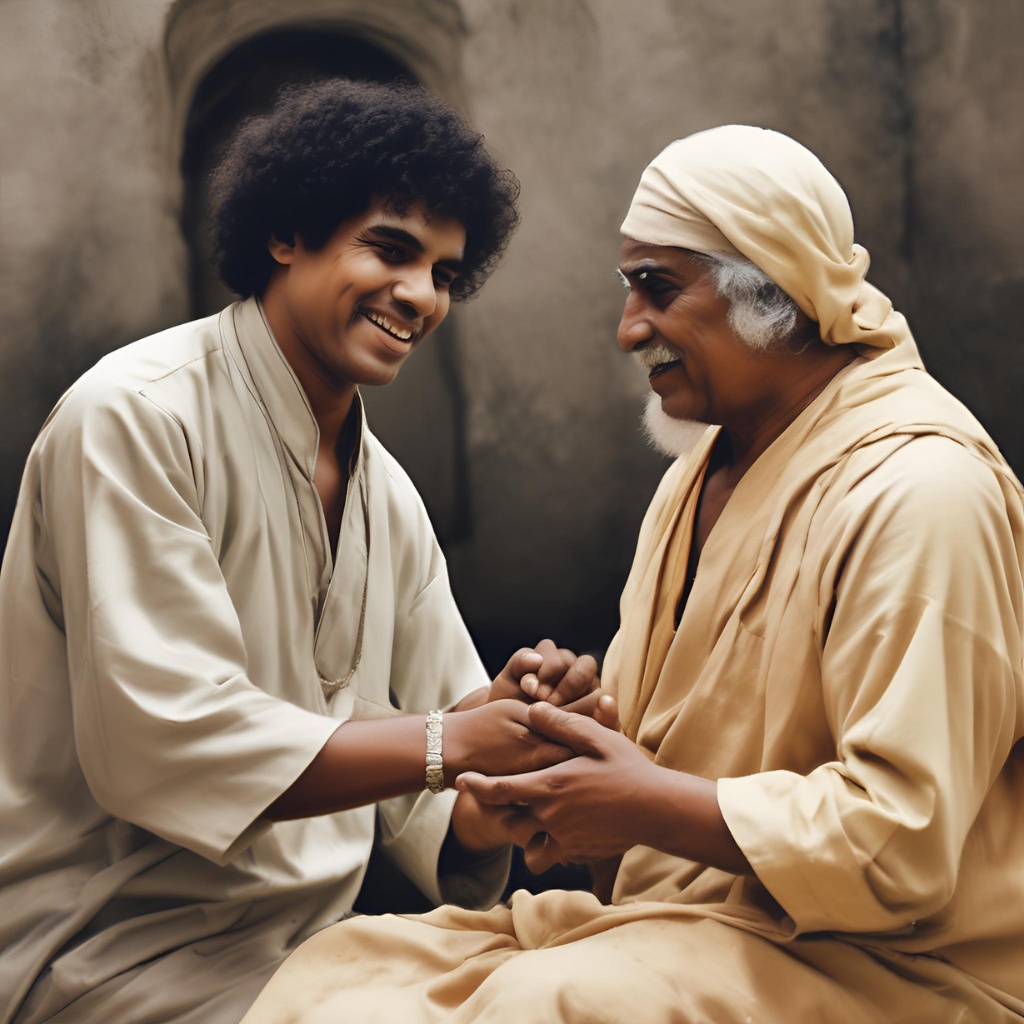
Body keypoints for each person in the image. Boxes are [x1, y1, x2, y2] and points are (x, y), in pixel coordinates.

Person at [241, 125, 1024, 1023]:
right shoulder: (698, 475)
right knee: (348, 969)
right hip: (687, 926)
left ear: (771, 290)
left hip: (895, 968)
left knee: (542, 1003)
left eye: (658, 288)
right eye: (629, 289)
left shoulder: (924, 489)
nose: (627, 331)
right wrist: (572, 733)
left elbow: (902, 850)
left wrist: (643, 804)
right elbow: (688, 751)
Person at [0, 80, 600, 1024]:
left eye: (445, 271)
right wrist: (453, 742)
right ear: (286, 233)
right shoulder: (136, 418)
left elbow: (439, 782)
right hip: (109, 957)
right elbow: (163, 745)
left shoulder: (387, 497)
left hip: (321, 954)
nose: (421, 296)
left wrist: (501, 769)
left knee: (619, 977)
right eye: (392, 250)